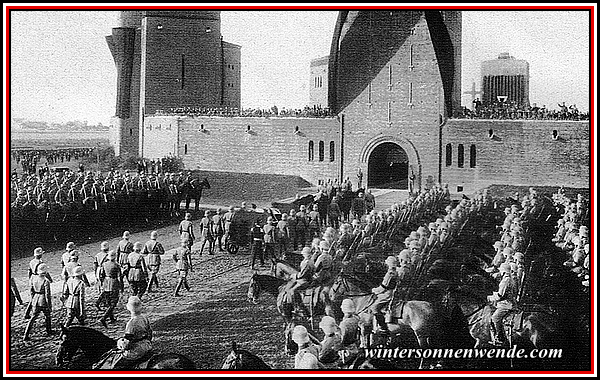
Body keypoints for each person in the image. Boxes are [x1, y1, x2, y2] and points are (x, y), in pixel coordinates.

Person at [112, 296, 153, 369]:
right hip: (147, 346)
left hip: (136, 350)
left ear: (129, 308)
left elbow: (127, 344)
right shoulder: (144, 317)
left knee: (116, 366)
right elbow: (150, 332)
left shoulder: (131, 323)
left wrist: (120, 345)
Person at [488, 262, 518, 345]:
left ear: (503, 271)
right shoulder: (511, 279)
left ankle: (499, 337)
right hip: (511, 302)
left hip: (505, 305)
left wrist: (490, 297)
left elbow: (500, 295)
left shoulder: (505, 280)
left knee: (494, 318)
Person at [23, 264, 54, 341]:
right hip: (43, 300)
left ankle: (26, 334)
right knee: (47, 316)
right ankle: (49, 331)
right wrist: (49, 305)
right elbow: (47, 295)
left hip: (35, 299)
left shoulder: (34, 279)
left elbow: (31, 291)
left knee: (33, 317)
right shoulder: (46, 281)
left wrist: (33, 299)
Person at [370, 255, 399, 333]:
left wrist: (374, 290)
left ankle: (383, 326)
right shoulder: (396, 271)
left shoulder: (390, 273)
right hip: (390, 291)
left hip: (387, 294)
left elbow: (383, 287)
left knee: (374, 307)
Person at [287, 247, 315, 317]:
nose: (303, 255)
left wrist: (294, 275)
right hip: (308, 278)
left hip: (304, 280)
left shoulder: (307, 262)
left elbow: (302, 274)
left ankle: (297, 308)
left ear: (307, 254)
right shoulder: (310, 260)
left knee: (292, 290)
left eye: (304, 254)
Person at [97, 250, 121, 328]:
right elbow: (120, 276)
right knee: (113, 303)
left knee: (108, 302)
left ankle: (112, 318)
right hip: (114, 283)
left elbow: (101, 275)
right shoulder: (116, 265)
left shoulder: (104, 264)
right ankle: (104, 318)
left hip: (106, 283)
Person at [338, 299, 361, 365]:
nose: (340, 307)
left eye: (342, 305)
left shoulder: (344, 324)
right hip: (355, 346)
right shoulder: (356, 318)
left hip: (347, 350)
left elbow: (342, 339)